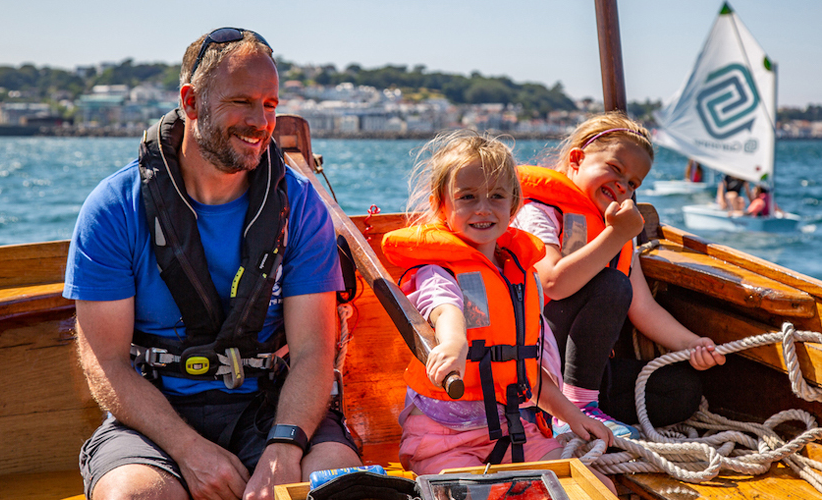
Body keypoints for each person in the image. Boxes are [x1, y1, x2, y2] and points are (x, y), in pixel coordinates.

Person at [64, 28, 360, 500]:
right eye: (242, 101)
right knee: (135, 496)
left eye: (269, 104)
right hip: (156, 418)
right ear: (192, 102)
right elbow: (107, 362)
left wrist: (283, 448)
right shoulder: (114, 207)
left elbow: (312, 352)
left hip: (271, 408)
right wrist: (188, 450)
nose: (260, 121)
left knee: (334, 483)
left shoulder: (300, 206)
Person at [381, 130, 615, 493]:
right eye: (467, 197)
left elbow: (529, 374)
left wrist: (573, 416)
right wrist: (454, 343)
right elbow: (443, 308)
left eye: (496, 197)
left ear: (514, 204)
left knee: (596, 489)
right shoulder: (435, 270)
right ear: (442, 205)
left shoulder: (521, 275)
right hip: (445, 439)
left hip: (516, 430)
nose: (483, 208)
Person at [512, 112, 726, 439]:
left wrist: (694, 344)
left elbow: (643, 308)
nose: (622, 186)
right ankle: (574, 412)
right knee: (611, 284)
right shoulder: (539, 211)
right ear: (576, 159)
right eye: (615, 169)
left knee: (683, 390)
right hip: (535, 368)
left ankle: (589, 408)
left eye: (633, 184)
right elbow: (553, 282)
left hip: (584, 371)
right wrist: (615, 235)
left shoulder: (620, 233)